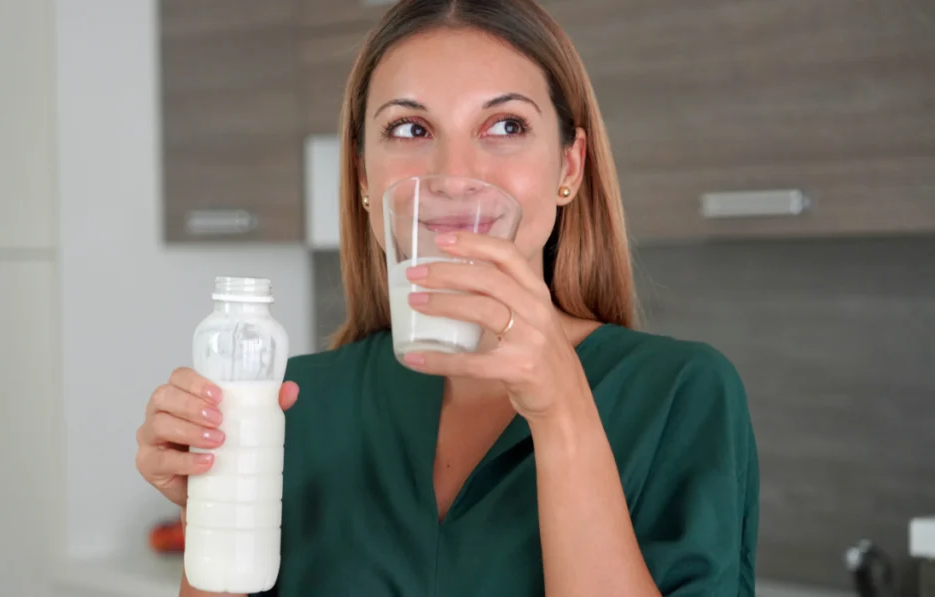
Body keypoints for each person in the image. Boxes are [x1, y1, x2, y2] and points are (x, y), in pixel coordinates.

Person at [135, 0, 760, 595]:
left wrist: (561, 410)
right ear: (362, 177)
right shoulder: (291, 405)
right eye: (410, 128)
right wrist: (213, 507)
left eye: (506, 125)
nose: (453, 177)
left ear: (569, 168)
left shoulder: (681, 395)